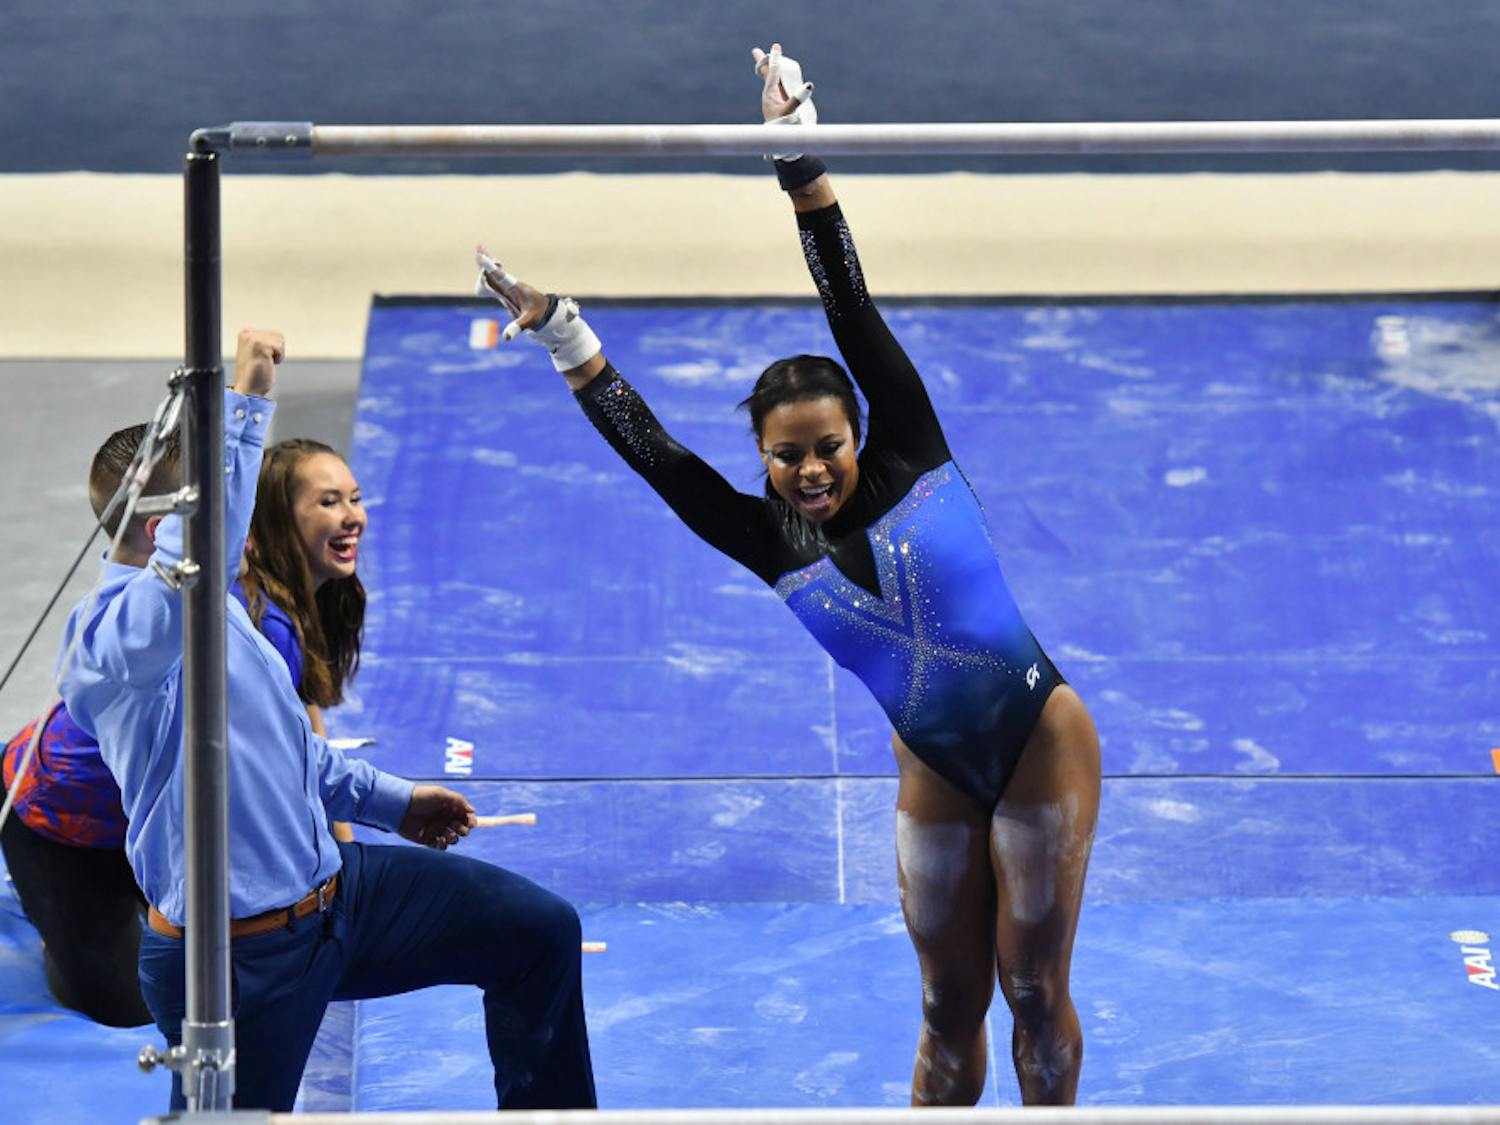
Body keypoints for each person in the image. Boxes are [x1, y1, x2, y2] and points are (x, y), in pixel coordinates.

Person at [476, 45, 1101, 1107]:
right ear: (764, 461)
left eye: (827, 446)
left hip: (1038, 739)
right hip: (937, 769)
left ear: (862, 433)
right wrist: (566, 333)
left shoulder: (914, 452)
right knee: (949, 1007)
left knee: (1031, 985)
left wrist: (797, 160)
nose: (810, 469)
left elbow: (849, 307)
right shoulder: (765, 538)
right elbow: (659, 457)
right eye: (786, 455)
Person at [55, 328, 596, 1112]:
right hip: (242, 961)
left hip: (340, 897)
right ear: (158, 531)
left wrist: (393, 801)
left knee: (539, 932)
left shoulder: (225, 615)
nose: (237, 530)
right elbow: (185, 571)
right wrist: (246, 403)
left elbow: (285, 754)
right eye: (212, 512)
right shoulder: (111, 646)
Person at [0, 422, 369, 1022]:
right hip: (60, 814)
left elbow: (301, 717)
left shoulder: (286, 594)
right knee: (134, 1005)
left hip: (142, 819)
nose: (352, 516)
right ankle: (49, 913)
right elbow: (285, 759)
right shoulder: (249, 615)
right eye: (328, 503)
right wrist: (346, 864)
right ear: (269, 518)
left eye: (353, 497)